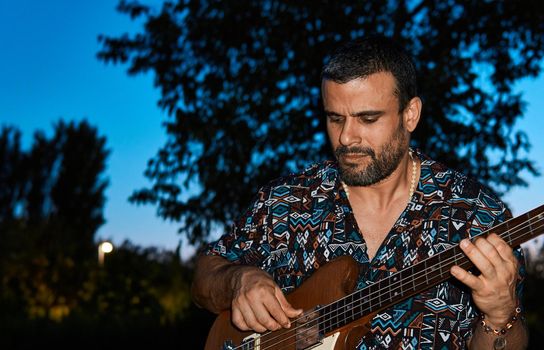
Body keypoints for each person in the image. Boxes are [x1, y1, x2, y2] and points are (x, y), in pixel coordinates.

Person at [191, 36, 528, 349]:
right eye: (335, 118)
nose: (346, 138)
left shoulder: (477, 214)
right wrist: (238, 279)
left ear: (410, 114)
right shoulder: (285, 202)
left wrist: (500, 316)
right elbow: (205, 276)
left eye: (368, 118)